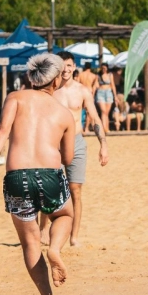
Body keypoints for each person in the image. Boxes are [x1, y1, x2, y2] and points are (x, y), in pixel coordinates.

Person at [0, 53, 75, 295]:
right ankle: (55, 248)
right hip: (49, 175)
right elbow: (67, 157)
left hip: (16, 177)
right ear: (54, 81)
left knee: (30, 242)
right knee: (65, 215)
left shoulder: (15, 98)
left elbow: (2, 131)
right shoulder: (65, 114)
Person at [46, 52, 109, 248]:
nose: (66, 69)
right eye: (62, 66)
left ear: (74, 67)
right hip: (53, 143)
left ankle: (74, 237)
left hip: (76, 141)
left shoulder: (82, 91)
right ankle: (42, 231)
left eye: (69, 65)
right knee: (47, 188)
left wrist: (103, 144)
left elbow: (95, 118)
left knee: (76, 190)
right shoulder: (49, 91)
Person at [93, 63, 116, 134]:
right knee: (103, 111)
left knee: (106, 112)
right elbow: (95, 85)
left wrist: (115, 96)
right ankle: (104, 128)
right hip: (101, 92)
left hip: (108, 92)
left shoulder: (110, 75)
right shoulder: (98, 75)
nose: (103, 69)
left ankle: (107, 128)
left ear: (107, 68)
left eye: (105, 68)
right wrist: (92, 95)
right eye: (102, 68)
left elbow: (113, 85)